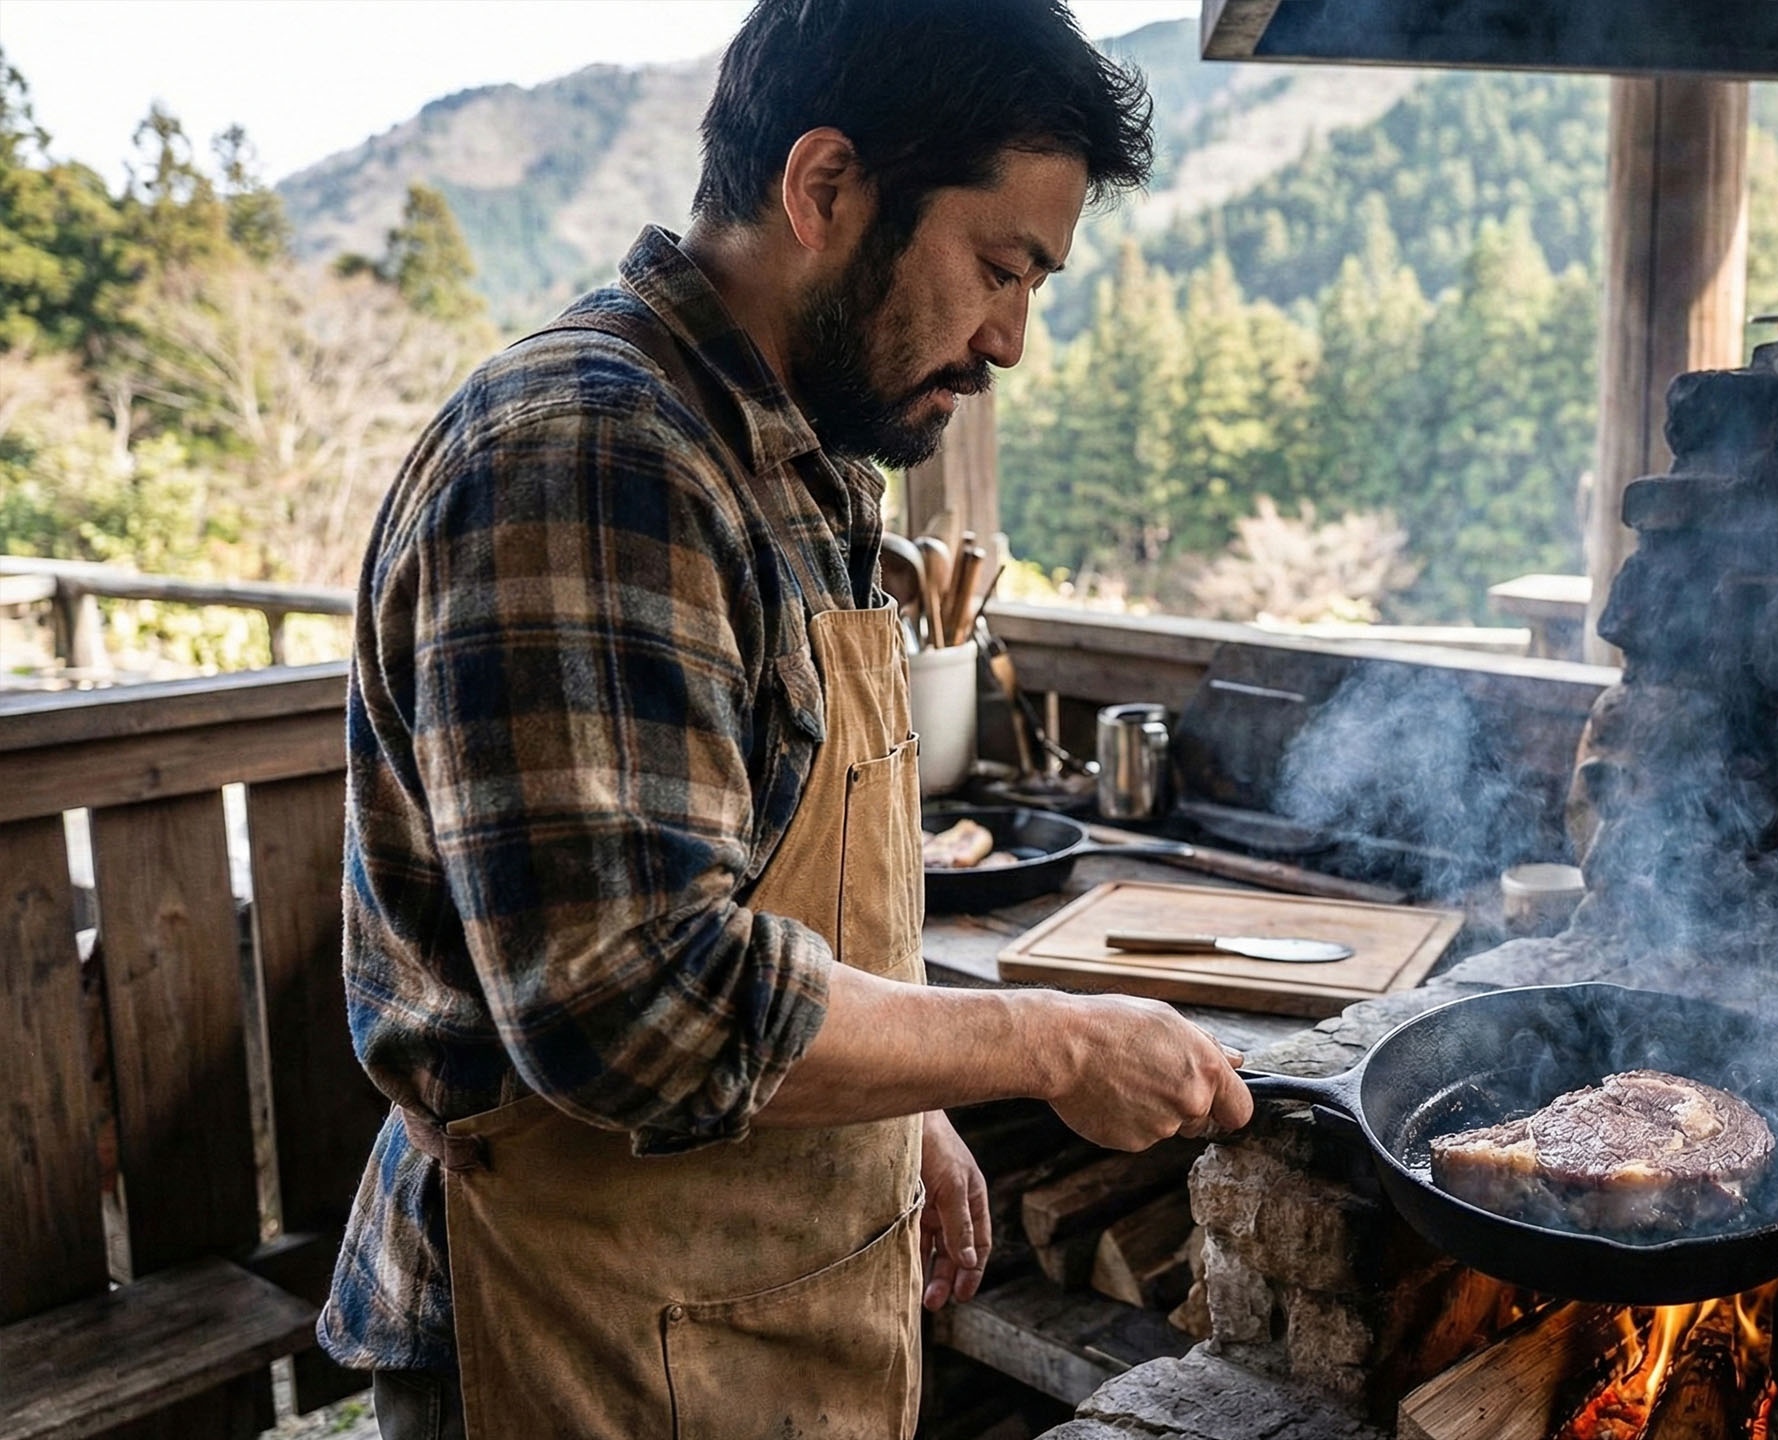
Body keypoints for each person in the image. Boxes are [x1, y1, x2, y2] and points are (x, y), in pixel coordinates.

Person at [320, 3, 1253, 1434]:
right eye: (999, 267)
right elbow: (632, 1002)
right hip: (573, 1335)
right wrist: (1053, 1044)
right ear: (825, 189)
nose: (1010, 337)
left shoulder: (786, 457)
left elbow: (774, 887)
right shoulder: (593, 454)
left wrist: (907, 1103)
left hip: (735, 1313)